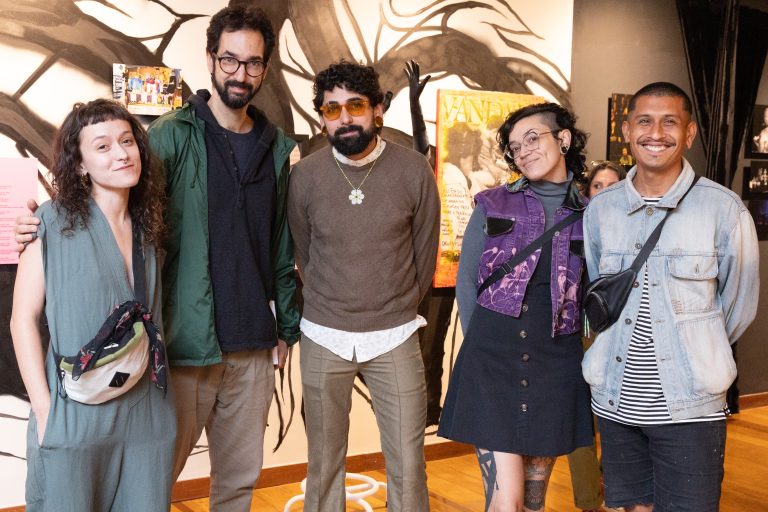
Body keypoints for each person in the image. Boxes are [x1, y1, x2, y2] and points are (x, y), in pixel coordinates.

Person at [15, 6, 300, 511]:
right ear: (210, 60)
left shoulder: (276, 147)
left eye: (254, 62)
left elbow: (280, 244)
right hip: (186, 345)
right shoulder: (169, 134)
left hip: (252, 345)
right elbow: (112, 196)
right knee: (150, 483)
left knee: (237, 483)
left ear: (265, 68)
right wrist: (42, 226)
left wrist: (285, 328)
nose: (241, 73)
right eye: (229, 60)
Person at [583, 82, 759, 511]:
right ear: (627, 130)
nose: (656, 133)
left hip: (691, 407)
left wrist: (698, 348)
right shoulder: (601, 210)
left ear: (689, 133)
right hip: (616, 400)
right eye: (644, 121)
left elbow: (738, 307)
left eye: (670, 122)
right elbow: (597, 291)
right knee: (630, 507)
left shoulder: (724, 209)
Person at [287, 60, 440, 512]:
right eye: (332, 109)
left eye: (355, 106)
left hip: (395, 334)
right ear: (322, 118)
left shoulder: (414, 170)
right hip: (323, 335)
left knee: (408, 464)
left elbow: (425, 255)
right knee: (323, 464)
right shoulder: (304, 177)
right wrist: (333, 303)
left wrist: (392, 305)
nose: (344, 117)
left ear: (377, 110)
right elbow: (303, 253)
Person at [10, 99, 175, 511]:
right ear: (80, 164)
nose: (121, 153)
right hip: (75, 410)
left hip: (145, 409)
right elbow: (22, 319)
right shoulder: (50, 222)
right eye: (102, 146)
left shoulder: (148, 226)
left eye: (127, 141)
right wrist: (45, 411)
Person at [438, 102, 593, 512]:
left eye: (532, 138)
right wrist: (482, 345)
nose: (523, 151)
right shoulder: (492, 204)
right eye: (515, 147)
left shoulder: (591, 214)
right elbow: (467, 283)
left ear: (563, 138)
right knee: (507, 501)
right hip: (492, 360)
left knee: (535, 502)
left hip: (556, 362)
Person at [566, 159, 627, 512]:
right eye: (597, 185)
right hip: (581, 329)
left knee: (619, 413)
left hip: (624, 330)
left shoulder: (636, 226)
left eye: (612, 185)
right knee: (579, 418)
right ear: (587, 191)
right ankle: (590, 500)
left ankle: (613, 486)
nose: (604, 192)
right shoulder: (575, 225)